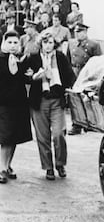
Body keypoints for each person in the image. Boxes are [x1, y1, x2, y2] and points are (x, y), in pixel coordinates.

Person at [23, 32, 75, 180]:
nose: (48, 45)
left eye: (51, 42)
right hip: (39, 102)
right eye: (45, 42)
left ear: (55, 44)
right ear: (41, 44)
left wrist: (73, 88)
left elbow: (70, 75)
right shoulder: (32, 58)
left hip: (57, 100)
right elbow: (24, 77)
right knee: (43, 137)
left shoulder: (60, 57)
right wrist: (34, 77)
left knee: (59, 134)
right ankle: (48, 168)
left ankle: (60, 164)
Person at [0, 31, 33, 183]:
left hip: (19, 103)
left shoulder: (23, 60)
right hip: (4, 103)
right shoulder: (0, 59)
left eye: (15, 43)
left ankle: (8, 165)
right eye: (10, 42)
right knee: (6, 137)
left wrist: (30, 75)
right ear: (4, 43)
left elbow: (26, 79)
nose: (12, 46)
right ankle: (2, 168)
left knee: (14, 137)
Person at [67, 22, 101, 135]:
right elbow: (68, 60)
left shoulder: (93, 45)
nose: (78, 34)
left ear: (85, 32)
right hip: (74, 74)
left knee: (87, 100)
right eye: (76, 32)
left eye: (80, 32)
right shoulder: (71, 44)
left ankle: (89, 123)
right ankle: (76, 125)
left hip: (86, 75)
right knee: (74, 101)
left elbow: (98, 63)